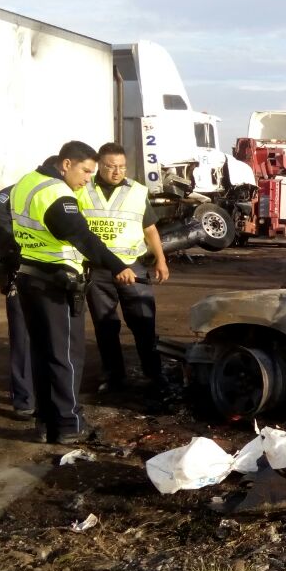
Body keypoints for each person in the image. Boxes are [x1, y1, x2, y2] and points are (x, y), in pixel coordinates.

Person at [11, 141, 133, 444]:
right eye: (85, 171)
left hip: (29, 277)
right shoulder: (56, 194)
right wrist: (118, 265)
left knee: (41, 354)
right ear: (66, 164)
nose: (88, 179)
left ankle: (46, 423)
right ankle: (69, 424)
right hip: (56, 282)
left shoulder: (26, 183)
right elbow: (81, 236)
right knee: (66, 355)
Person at [83, 142, 170, 396]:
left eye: (121, 166)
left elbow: (150, 229)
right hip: (98, 271)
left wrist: (161, 259)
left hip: (134, 268)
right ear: (99, 165)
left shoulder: (137, 191)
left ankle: (154, 374)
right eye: (111, 167)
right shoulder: (82, 190)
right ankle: (113, 376)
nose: (117, 172)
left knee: (144, 323)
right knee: (105, 326)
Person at [0, 163, 51, 421]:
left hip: (56, 277)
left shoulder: (64, 194)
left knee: (56, 338)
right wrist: (27, 252)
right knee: (23, 338)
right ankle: (25, 399)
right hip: (21, 274)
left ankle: (51, 395)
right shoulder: (9, 195)